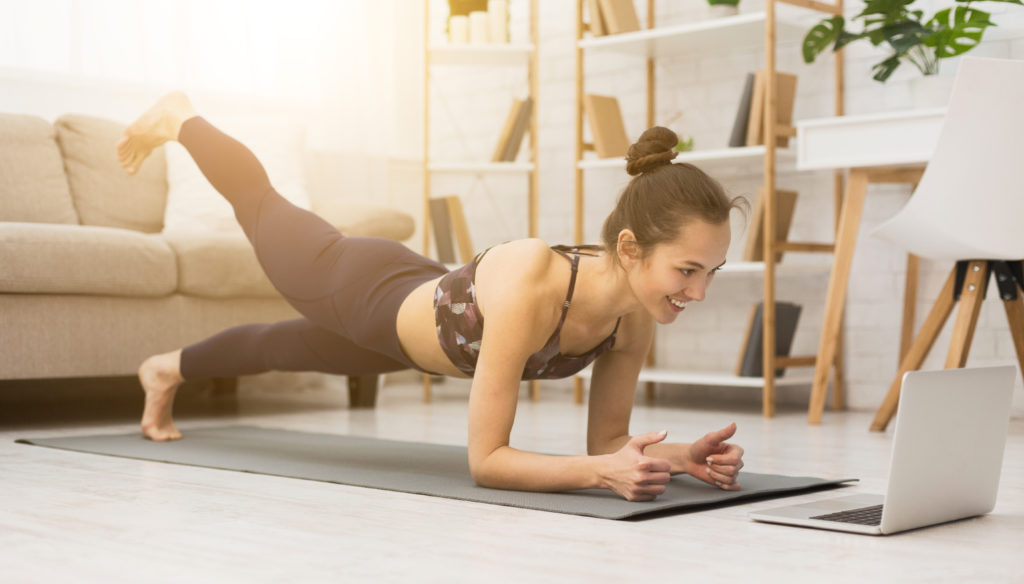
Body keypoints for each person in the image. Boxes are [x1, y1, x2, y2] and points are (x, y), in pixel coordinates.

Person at [116, 92, 746, 502]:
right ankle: (181, 118)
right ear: (632, 249)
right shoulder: (538, 281)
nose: (699, 291)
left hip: (406, 323)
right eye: (688, 270)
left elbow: (608, 442)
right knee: (261, 204)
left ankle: (163, 368)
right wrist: (599, 475)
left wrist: (680, 458)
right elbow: (487, 461)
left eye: (712, 272)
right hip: (359, 285)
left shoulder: (632, 319)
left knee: (280, 346)